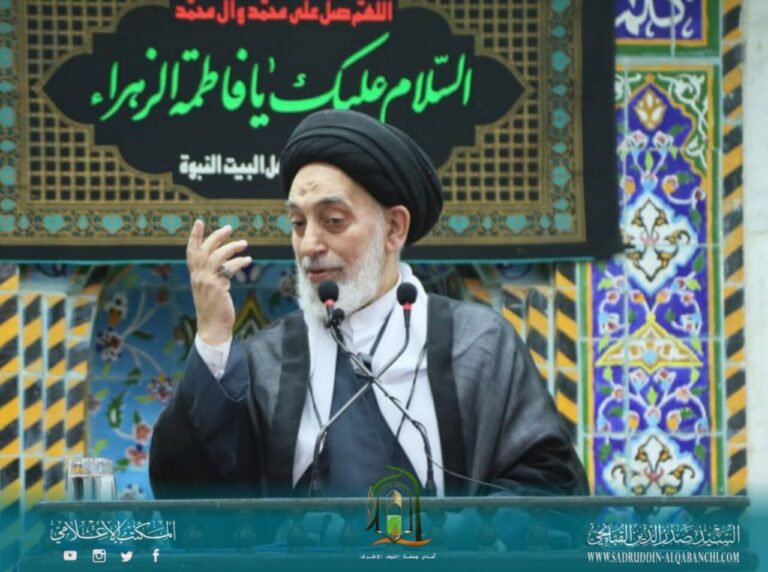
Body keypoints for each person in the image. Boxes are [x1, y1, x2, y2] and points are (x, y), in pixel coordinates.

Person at [149, 110, 587, 499]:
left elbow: (551, 484)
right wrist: (213, 337)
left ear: (394, 228)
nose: (309, 244)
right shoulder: (267, 360)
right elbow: (190, 493)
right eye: (298, 223)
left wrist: (465, 532)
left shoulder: (478, 345)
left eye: (333, 221)